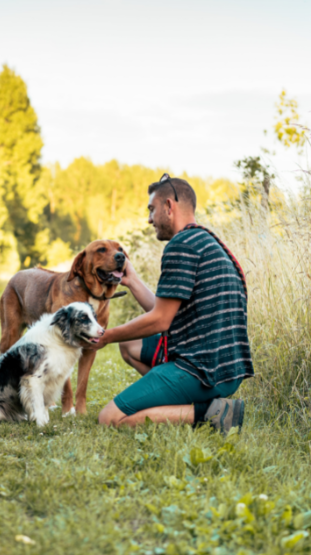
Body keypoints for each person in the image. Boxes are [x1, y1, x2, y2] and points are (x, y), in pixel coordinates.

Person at [92, 174, 254, 433]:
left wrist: (106, 336)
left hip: (201, 369)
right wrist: (132, 281)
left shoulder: (181, 246)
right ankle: (177, 404)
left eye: (152, 209)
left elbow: (160, 320)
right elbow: (165, 311)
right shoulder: (206, 241)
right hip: (226, 367)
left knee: (109, 418)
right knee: (130, 345)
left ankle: (210, 414)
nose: (149, 219)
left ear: (169, 206)